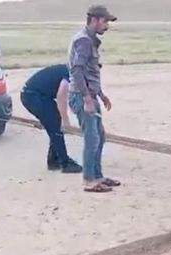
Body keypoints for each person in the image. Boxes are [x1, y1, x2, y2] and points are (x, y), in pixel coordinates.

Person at [67, 5, 119, 193]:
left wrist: (101, 94)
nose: (106, 26)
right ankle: (89, 180)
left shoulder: (89, 40)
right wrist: (87, 99)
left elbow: (89, 73)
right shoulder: (84, 41)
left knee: (99, 137)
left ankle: (97, 176)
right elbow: (77, 71)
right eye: (105, 21)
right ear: (94, 20)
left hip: (88, 95)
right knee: (92, 138)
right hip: (81, 96)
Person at [20, 64, 83, 173]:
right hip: (33, 96)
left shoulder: (72, 71)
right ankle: (65, 163)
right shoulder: (72, 74)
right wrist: (65, 120)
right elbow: (61, 96)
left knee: (54, 123)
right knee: (55, 125)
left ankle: (54, 159)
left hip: (36, 95)